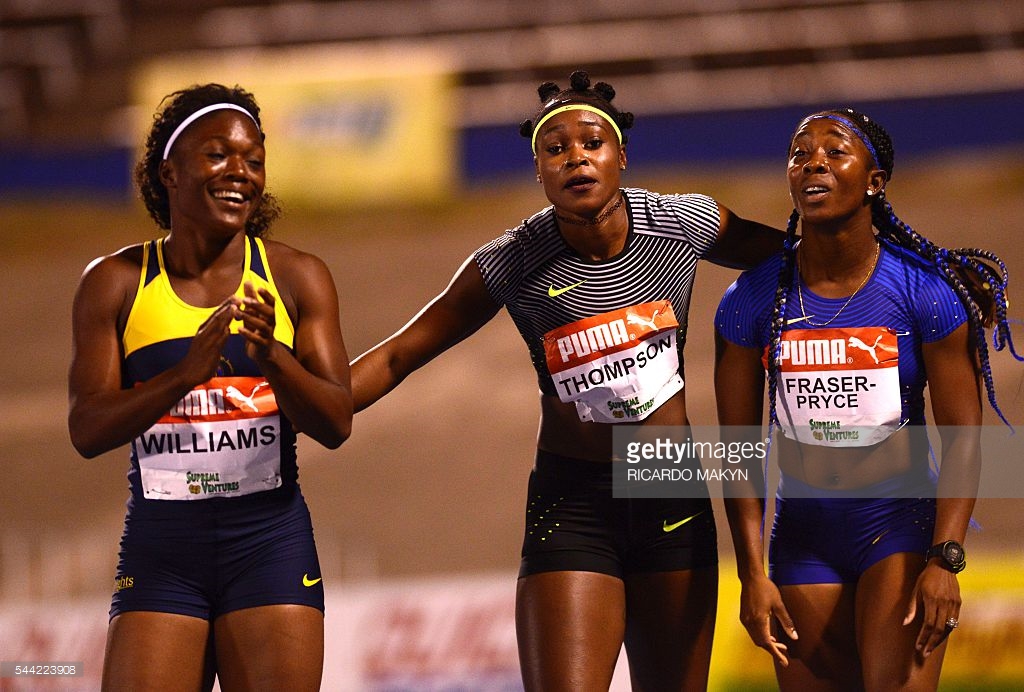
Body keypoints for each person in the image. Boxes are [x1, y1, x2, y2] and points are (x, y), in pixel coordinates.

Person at [351, 70, 785, 691]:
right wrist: (298, 402)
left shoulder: (684, 224)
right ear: (538, 171)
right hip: (574, 499)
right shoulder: (511, 260)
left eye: (591, 144)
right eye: (555, 150)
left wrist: (926, 274)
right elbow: (397, 357)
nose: (576, 158)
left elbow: (803, 261)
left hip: (667, 483)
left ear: (621, 156)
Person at [714, 107, 1018, 690]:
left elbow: (962, 442)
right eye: (800, 154)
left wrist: (945, 557)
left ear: (875, 181)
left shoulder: (923, 293)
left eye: (835, 151)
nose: (814, 164)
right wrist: (750, 573)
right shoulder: (749, 301)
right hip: (801, 539)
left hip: (899, 530)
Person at [68, 83, 352, 691]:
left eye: (254, 160)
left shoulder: (296, 276)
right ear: (168, 171)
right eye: (218, 154)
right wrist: (182, 377)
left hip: (270, 547)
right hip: (161, 552)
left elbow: (336, 422)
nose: (240, 173)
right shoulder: (116, 282)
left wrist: (274, 358)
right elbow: (87, 429)